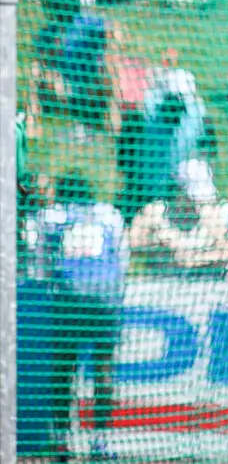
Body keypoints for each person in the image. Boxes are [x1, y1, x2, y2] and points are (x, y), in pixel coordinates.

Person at [26, 171, 129, 461]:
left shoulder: (51, 216)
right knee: (103, 371)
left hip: (68, 301)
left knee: (64, 371)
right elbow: (123, 259)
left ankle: (63, 441)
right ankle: (102, 442)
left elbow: (41, 264)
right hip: (105, 301)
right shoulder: (109, 214)